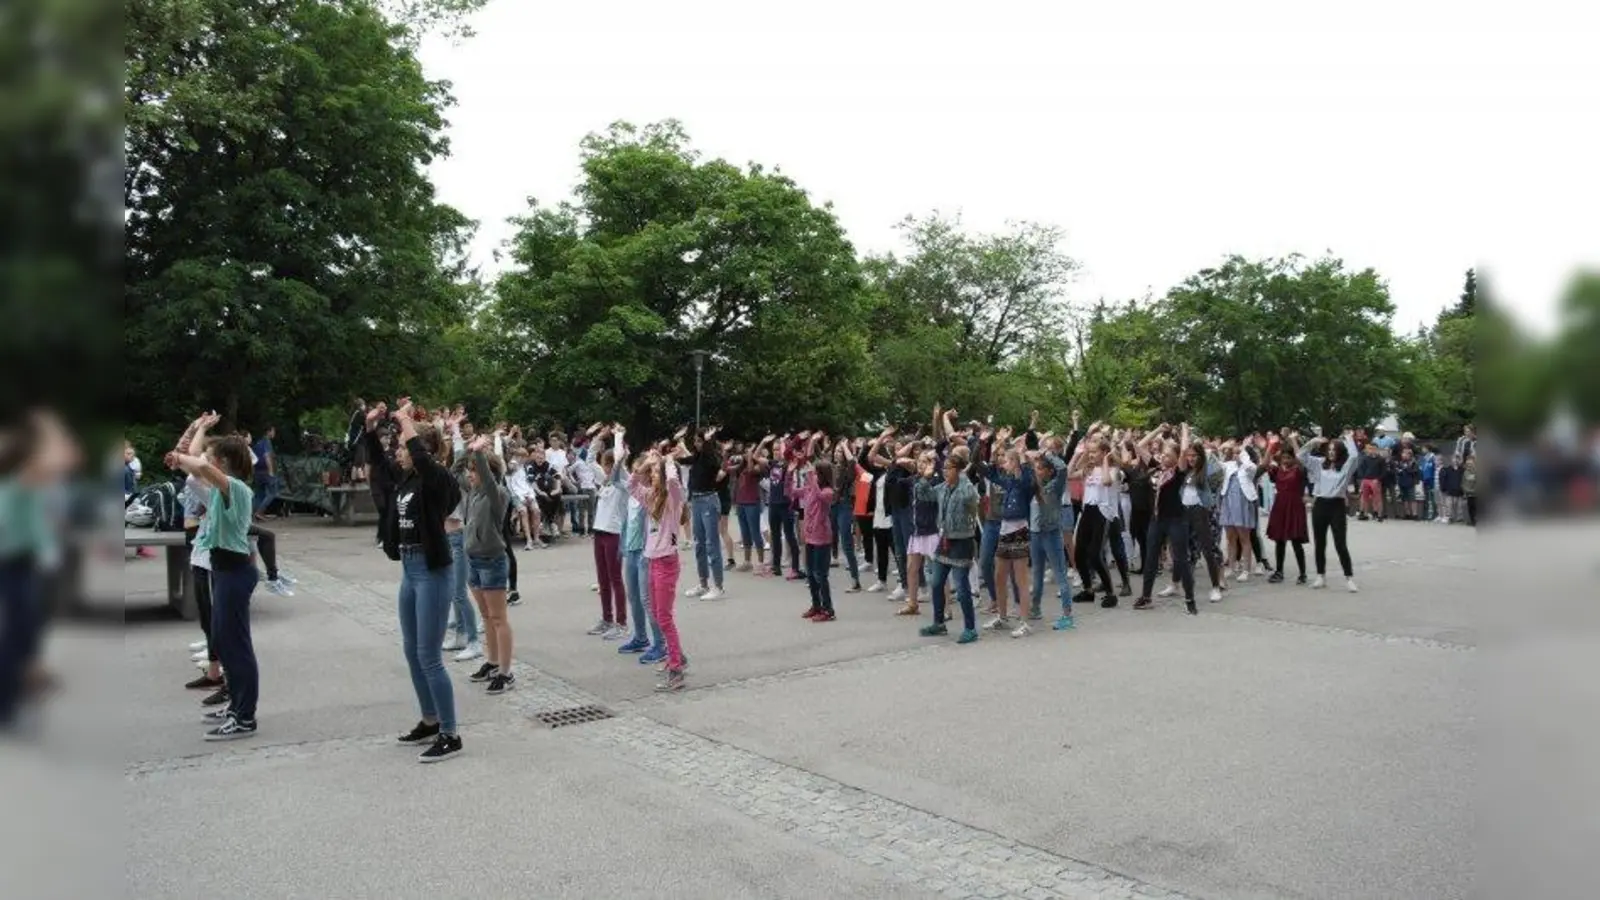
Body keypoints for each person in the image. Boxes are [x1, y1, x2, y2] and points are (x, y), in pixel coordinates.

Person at [366, 400, 464, 762]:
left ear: (419, 448)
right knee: (412, 651)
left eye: (403, 446)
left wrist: (407, 421)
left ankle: (451, 734)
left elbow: (421, 458)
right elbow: (377, 462)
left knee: (429, 655)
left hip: (432, 571)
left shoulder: (439, 479)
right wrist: (370, 428)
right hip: (409, 569)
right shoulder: (406, 478)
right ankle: (430, 719)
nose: (398, 452)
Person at [168, 428, 261, 741]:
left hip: (235, 573)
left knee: (236, 647)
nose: (204, 461)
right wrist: (186, 453)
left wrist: (183, 457)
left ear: (224, 462)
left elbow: (202, 468)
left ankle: (245, 717)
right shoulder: (220, 491)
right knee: (223, 641)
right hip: (225, 572)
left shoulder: (236, 488)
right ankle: (236, 705)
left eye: (211, 458)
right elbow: (197, 470)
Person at [630, 450, 689, 692]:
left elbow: (673, 482)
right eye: (651, 473)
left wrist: (667, 462)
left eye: (655, 474)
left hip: (666, 562)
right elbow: (631, 484)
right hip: (653, 560)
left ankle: (676, 669)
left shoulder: (674, 499)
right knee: (656, 613)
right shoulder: (651, 497)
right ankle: (679, 656)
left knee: (664, 617)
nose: (651, 476)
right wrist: (646, 464)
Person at [461, 436, 516, 695]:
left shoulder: (498, 494)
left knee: (498, 618)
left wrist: (480, 454)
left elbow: (488, 476)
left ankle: (505, 672)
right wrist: (463, 446)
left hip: (492, 560)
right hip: (473, 559)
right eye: (470, 470)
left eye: (474, 471)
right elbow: (452, 473)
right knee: (486, 617)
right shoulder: (473, 492)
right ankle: (492, 662)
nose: (470, 475)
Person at [921, 452, 981, 643]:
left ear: (958, 470)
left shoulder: (966, 487)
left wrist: (963, 475)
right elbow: (922, 494)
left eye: (948, 468)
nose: (944, 471)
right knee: (937, 582)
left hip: (962, 541)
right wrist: (926, 477)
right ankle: (939, 623)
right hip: (945, 539)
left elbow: (969, 498)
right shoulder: (943, 488)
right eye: (944, 468)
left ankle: (970, 628)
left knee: (962, 588)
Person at [1133, 440, 1199, 615]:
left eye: (1168, 455)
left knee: (1181, 559)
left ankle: (1190, 599)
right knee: (1150, 557)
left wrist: (1184, 431)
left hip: (1176, 519)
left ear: (1177, 458)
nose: (1163, 456)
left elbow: (1184, 449)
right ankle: (1146, 597)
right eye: (1163, 453)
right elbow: (1139, 446)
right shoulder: (1157, 468)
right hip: (1157, 519)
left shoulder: (1178, 472)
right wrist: (1158, 429)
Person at [1299, 430, 1361, 592]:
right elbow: (1301, 455)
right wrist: (1314, 442)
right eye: (1329, 450)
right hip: (1320, 504)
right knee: (1320, 543)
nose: (1331, 452)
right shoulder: (1319, 464)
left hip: (1337, 505)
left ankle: (1349, 577)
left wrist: (1348, 438)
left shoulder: (1345, 467)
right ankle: (1321, 575)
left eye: (1335, 450)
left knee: (1340, 543)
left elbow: (1354, 456)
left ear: (1340, 452)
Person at [588, 425, 629, 638]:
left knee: (615, 579)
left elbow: (619, 466)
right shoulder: (603, 483)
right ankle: (606, 618)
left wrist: (618, 437)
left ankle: (621, 623)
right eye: (604, 465)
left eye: (607, 465)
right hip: (600, 533)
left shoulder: (623, 482)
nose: (604, 469)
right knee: (602, 579)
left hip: (614, 534)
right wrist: (598, 438)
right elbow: (587, 462)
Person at [680, 427, 727, 600]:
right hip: (697, 501)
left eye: (699, 441)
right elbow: (685, 459)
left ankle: (718, 586)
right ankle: (703, 583)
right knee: (699, 544)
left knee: (711, 544)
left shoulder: (711, 456)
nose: (696, 443)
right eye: (696, 441)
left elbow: (713, 461)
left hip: (709, 501)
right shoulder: (698, 457)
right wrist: (668, 458)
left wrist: (707, 441)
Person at [794, 451, 837, 622]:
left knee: (821, 574)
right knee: (811, 574)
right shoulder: (811, 488)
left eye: (817, 473)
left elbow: (820, 496)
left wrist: (811, 474)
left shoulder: (828, 491)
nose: (813, 476)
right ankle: (816, 605)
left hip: (823, 538)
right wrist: (790, 473)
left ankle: (828, 609)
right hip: (810, 536)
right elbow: (791, 492)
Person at [1265, 438, 1310, 584]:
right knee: (1280, 540)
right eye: (1283, 457)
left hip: (1295, 506)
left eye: (1289, 457)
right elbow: (1265, 465)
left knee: (1296, 541)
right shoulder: (1277, 470)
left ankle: (1303, 574)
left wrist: (1293, 442)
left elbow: (1302, 461)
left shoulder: (1299, 470)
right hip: (1280, 506)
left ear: (1293, 458)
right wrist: (1269, 448)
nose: (1286, 460)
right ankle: (1279, 571)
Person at [251, 426, 278, 521]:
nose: (274, 433)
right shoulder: (267, 442)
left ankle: (252, 513)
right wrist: (271, 471)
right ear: (269, 431)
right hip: (266, 471)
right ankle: (259, 512)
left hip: (257, 471)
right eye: (273, 431)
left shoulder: (258, 442)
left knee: (259, 493)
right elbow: (267, 456)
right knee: (272, 493)